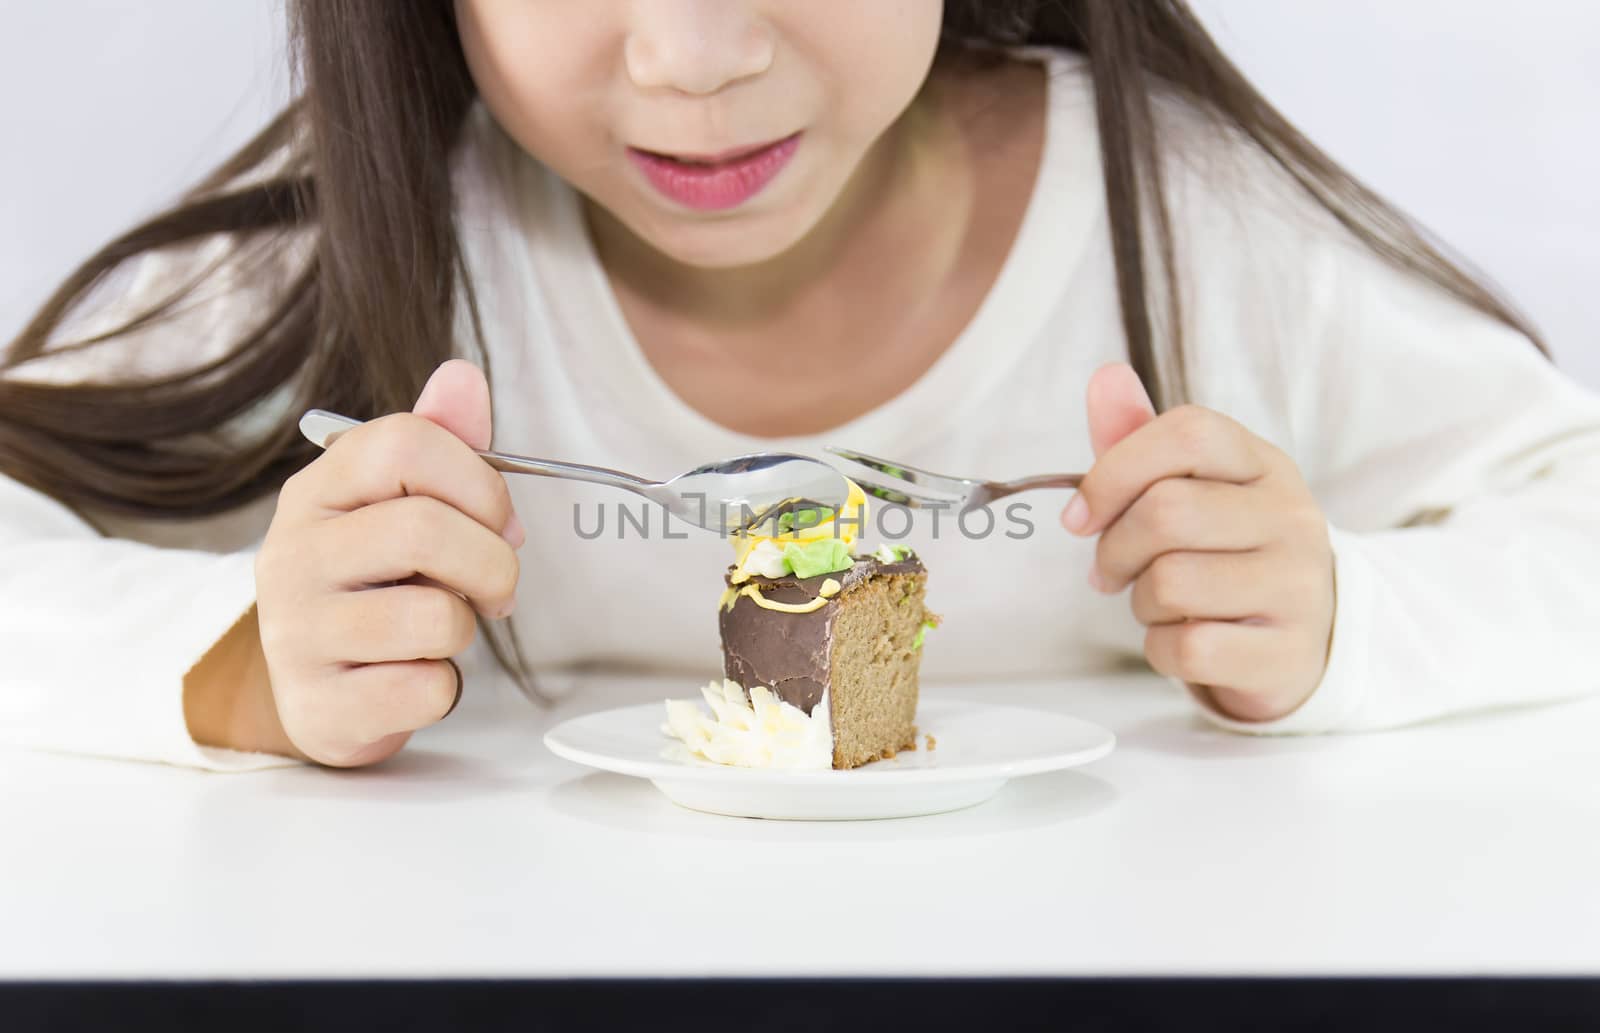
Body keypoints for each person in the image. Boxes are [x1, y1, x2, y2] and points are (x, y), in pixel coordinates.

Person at [2, 1, 1595, 771]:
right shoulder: (371, 244)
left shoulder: (1188, 228)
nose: (693, 58)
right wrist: (241, 672)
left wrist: (1343, 621)